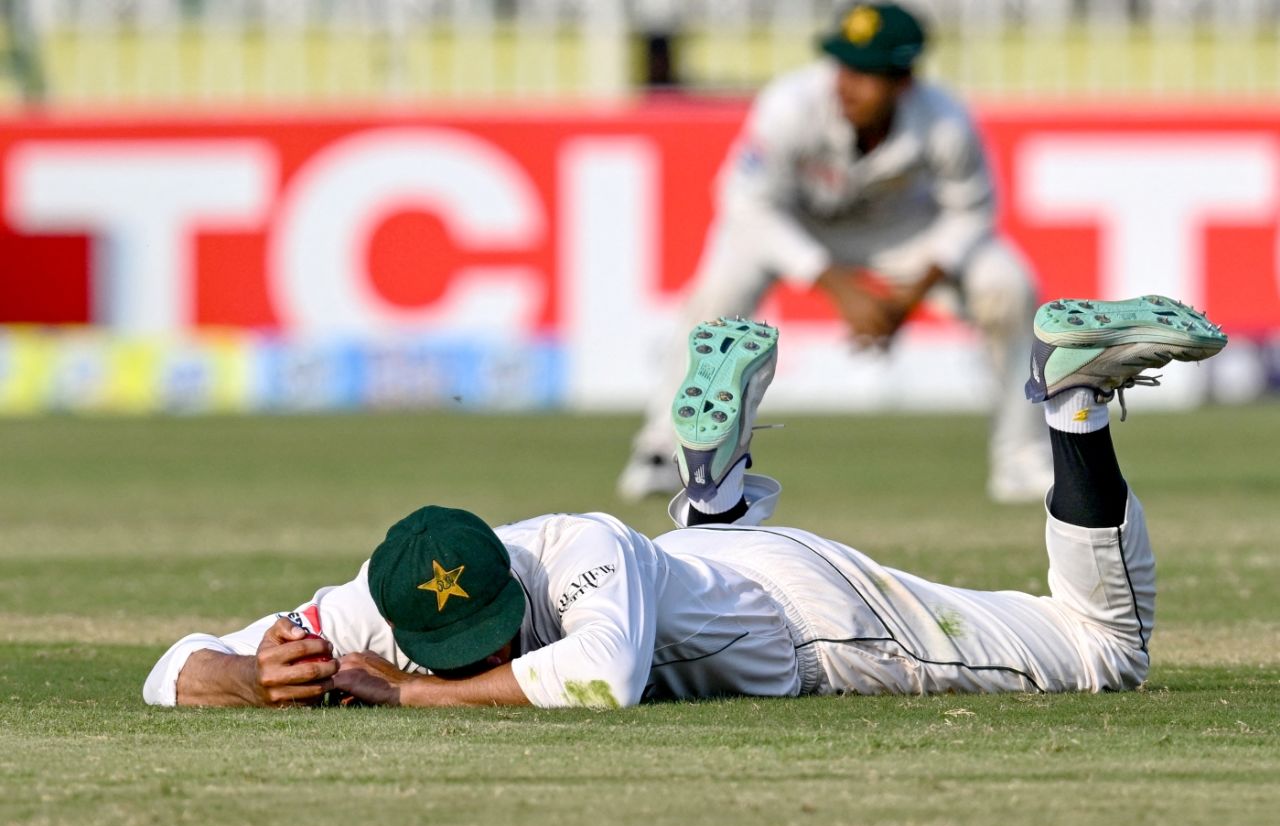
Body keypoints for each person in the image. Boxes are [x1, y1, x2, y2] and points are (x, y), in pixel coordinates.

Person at [143, 295, 1225, 709]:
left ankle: (1072, 399)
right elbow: (166, 669)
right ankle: (712, 489)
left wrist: (408, 698)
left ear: (509, 578)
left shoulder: (575, 549)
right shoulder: (368, 607)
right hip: (713, 570)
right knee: (686, 584)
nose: (479, 657)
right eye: (458, 647)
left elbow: (601, 674)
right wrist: (247, 673)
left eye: (488, 632)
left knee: (1100, 651)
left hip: (816, 620)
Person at [618, 1, 1052, 505]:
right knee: (718, 291)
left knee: (1008, 286)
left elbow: (973, 211)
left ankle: (1022, 457)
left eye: (868, 74)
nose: (847, 84)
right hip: (799, 224)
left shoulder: (944, 122)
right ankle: (664, 450)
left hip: (902, 233)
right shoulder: (792, 104)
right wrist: (837, 285)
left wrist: (910, 294)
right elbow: (746, 205)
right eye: (845, 65)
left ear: (903, 81)